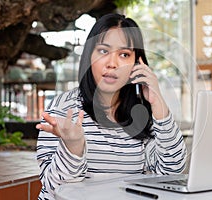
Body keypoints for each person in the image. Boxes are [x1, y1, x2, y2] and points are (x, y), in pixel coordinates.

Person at [36, 13, 187, 199]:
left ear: (137, 64)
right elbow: (52, 188)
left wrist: (160, 106)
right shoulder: (64, 107)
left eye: (124, 54)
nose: (112, 63)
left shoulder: (142, 113)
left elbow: (171, 172)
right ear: (89, 56)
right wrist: (73, 146)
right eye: (103, 51)